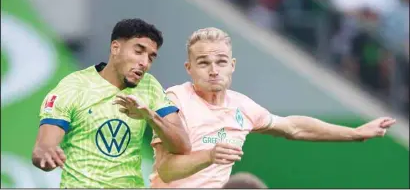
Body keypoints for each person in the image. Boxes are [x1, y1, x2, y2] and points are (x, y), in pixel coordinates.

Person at [128, 27, 394, 188]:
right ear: (189, 68)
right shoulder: (174, 100)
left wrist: (356, 133)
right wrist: (210, 155)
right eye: (203, 62)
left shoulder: (242, 107)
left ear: (232, 65)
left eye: (220, 62)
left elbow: (294, 128)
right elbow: (166, 170)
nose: (213, 70)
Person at [32, 18, 191, 188]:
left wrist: (150, 117)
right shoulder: (73, 87)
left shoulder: (149, 86)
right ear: (116, 48)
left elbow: (183, 146)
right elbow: (43, 148)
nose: (144, 63)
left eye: (151, 58)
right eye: (138, 52)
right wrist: (46, 153)